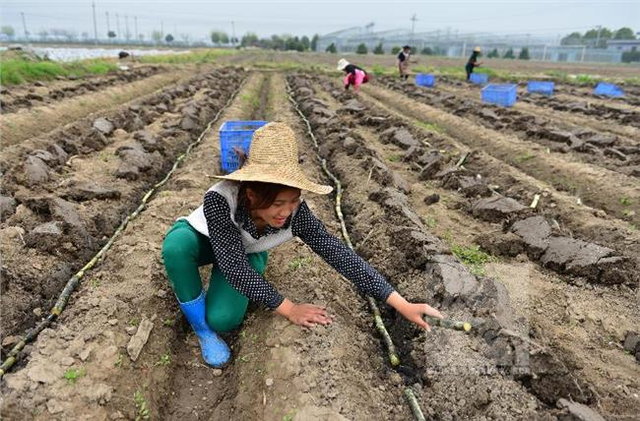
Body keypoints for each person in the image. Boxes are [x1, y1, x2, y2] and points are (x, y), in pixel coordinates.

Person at [161, 122, 444, 367]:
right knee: (176, 247)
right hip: (206, 241)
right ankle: (202, 332)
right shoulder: (221, 200)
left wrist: (401, 303)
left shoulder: (298, 216)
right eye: (278, 203)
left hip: (244, 252)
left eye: (294, 200)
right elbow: (233, 266)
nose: (286, 211)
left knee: (224, 319)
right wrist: (289, 308)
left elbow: (341, 255)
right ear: (251, 194)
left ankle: (253, 266)